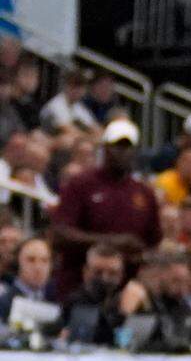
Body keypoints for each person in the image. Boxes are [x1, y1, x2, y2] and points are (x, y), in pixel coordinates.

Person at [51, 119, 161, 298]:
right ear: (105, 148)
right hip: (78, 287)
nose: (123, 152)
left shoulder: (145, 194)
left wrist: (139, 255)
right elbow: (60, 234)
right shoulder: (81, 184)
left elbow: (153, 243)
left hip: (125, 292)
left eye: (128, 147)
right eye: (117, 146)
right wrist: (113, 243)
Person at [60, 243, 124, 344]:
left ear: (120, 276)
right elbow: (94, 337)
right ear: (86, 272)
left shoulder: (123, 299)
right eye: (98, 272)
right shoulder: (76, 302)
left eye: (112, 273)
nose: (105, 279)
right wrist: (124, 313)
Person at [0, 236, 55, 321]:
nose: (38, 267)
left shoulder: (55, 301)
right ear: (18, 263)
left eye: (45, 260)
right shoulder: (4, 303)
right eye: (31, 260)